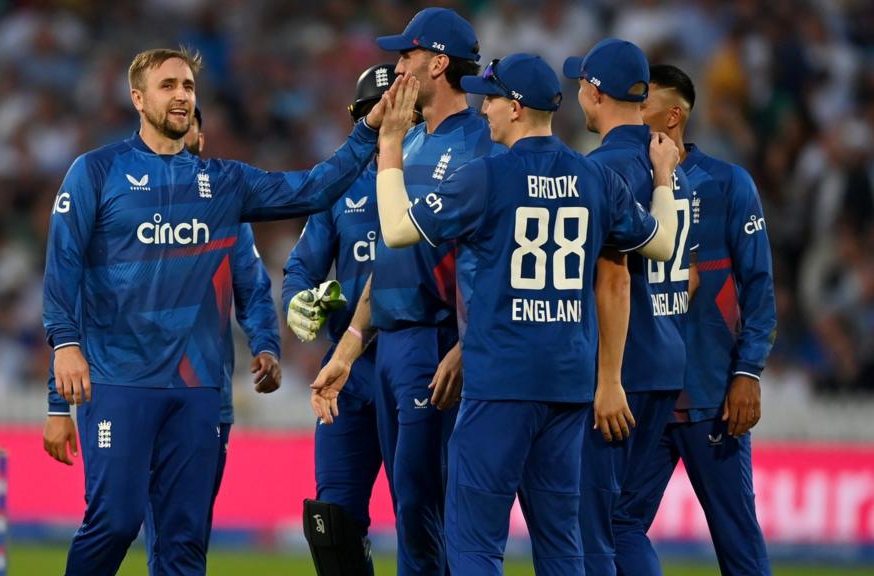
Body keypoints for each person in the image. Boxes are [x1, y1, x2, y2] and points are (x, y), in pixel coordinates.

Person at [40, 47, 388, 576]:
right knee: (115, 520)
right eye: (167, 86)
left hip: (198, 389)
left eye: (187, 86)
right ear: (138, 99)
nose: (181, 95)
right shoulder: (96, 173)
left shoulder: (224, 184)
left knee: (183, 546)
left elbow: (311, 188)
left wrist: (367, 134)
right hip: (118, 379)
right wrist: (64, 345)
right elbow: (62, 264)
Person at [374, 56, 681, 576]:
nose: (484, 109)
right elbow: (664, 243)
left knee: (474, 542)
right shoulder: (595, 178)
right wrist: (665, 180)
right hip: (567, 386)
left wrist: (389, 147)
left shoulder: (486, 177)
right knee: (562, 545)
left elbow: (399, 231)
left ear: (515, 108)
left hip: (500, 381)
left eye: (490, 99)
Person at [310, 8, 497, 575]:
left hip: (435, 340)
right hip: (390, 342)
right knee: (406, 508)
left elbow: (501, 258)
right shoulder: (411, 141)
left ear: (438, 63)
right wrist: (346, 349)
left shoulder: (481, 144)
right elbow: (388, 261)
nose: (397, 67)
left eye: (406, 56)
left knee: (422, 510)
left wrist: (467, 346)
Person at [617, 63, 775, 576]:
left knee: (738, 545)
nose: (634, 114)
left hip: (710, 398)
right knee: (617, 527)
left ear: (674, 115)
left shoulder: (727, 184)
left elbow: (758, 286)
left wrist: (748, 372)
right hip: (644, 396)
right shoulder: (625, 183)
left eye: (644, 105)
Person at [562, 38, 695, 576]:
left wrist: (607, 379)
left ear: (593, 93)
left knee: (593, 526)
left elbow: (611, 279)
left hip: (620, 370)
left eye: (580, 84)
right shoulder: (669, 163)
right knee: (625, 525)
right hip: (664, 358)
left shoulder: (603, 168)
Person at [142, 105, 282, 575]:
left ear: (200, 137)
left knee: (186, 534)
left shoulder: (227, 212)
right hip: (139, 390)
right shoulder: (131, 204)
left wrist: (266, 344)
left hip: (206, 395)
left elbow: (254, 288)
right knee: (157, 533)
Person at [282, 64, 399, 575]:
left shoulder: (444, 178)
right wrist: (297, 301)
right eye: (369, 111)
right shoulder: (341, 187)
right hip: (347, 374)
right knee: (332, 523)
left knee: (425, 518)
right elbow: (301, 268)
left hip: (415, 359)